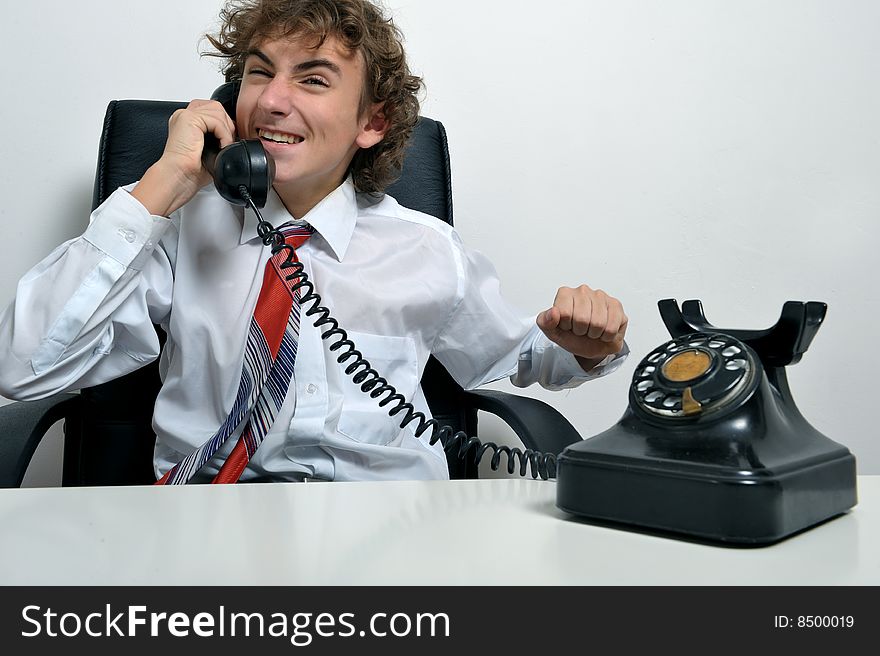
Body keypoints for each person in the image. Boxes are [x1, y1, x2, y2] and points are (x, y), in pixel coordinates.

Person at [0, 0, 628, 483]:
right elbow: (23, 366)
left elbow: (519, 355)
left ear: (372, 122)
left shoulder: (426, 249)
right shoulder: (177, 234)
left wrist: (580, 346)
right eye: (257, 74)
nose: (272, 101)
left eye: (313, 80)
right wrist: (164, 184)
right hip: (202, 526)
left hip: (385, 534)